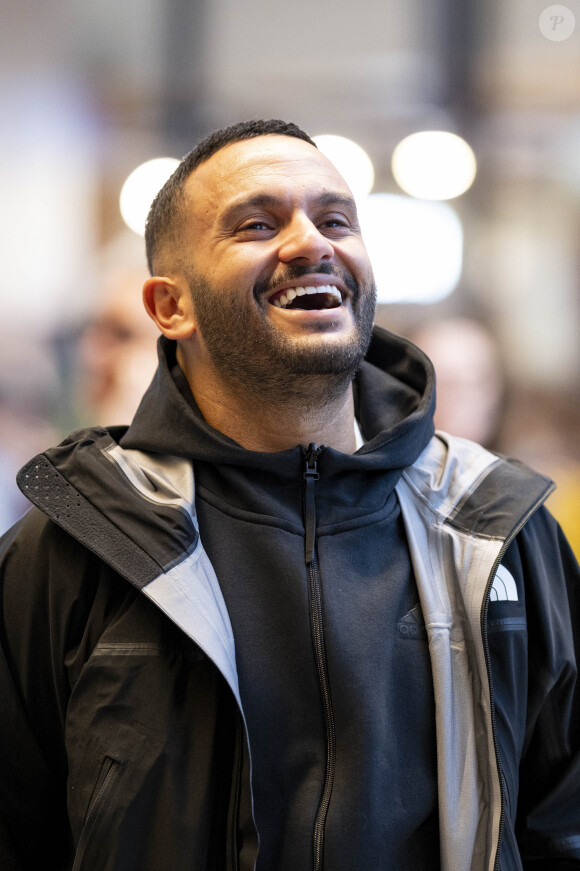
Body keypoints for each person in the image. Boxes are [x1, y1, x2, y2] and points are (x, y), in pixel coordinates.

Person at [0, 119, 578, 871]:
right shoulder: (74, 548)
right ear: (170, 307)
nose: (312, 242)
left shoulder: (498, 533)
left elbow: (564, 828)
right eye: (256, 223)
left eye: (336, 219)